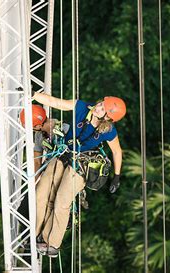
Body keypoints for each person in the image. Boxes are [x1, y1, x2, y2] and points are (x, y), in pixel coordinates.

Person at [30, 92, 126, 257]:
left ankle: (51, 243)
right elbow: (55, 102)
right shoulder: (81, 107)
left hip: (81, 165)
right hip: (63, 155)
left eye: (103, 108)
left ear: (108, 118)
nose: (98, 107)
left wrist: (116, 177)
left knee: (61, 201)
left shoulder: (108, 130)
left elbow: (117, 152)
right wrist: (32, 94)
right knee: (41, 193)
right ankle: (34, 234)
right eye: (101, 103)